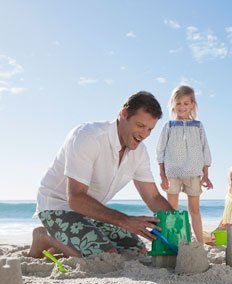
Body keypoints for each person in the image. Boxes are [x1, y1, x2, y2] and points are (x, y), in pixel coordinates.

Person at [29, 91, 173, 258]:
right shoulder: (88, 136)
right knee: (105, 257)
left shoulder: (140, 152)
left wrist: (178, 226)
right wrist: (126, 221)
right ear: (124, 114)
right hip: (57, 207)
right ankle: (44, 238)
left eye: (150, 129)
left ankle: (65, 245)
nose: (144, 135)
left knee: (137, 252)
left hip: (90, 213)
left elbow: (154, 197)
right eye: (140, 126)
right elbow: (75, 198)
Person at [157, 85, 212, 243]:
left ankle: (200, 243)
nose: (182, 107)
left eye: (186, 103)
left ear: (192, 105)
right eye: (178, 103)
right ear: (173, 104)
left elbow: (205, 150)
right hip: (172, 174)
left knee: (195, 211)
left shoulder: (198, 126)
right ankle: (172, 241)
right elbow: (160, 152)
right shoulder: (168, 126)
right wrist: (162, 175)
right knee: (172, 211)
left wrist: (206, 176)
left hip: (194, 174)